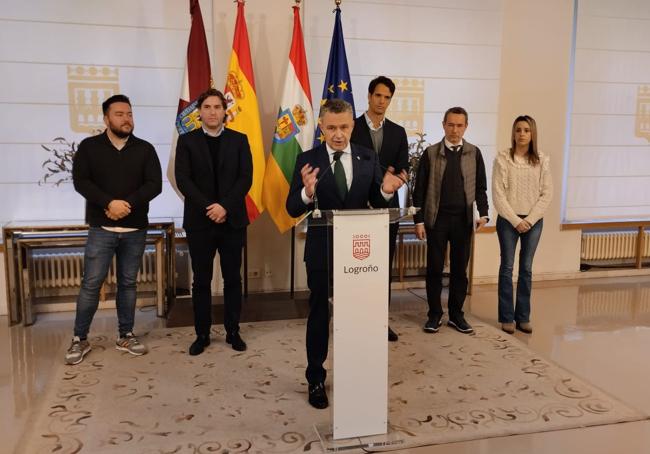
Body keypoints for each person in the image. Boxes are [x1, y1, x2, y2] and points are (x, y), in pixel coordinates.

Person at [286, 98, 407, 409]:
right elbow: (291, 208)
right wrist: (307, 193)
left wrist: (386, 191)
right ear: (321, 128)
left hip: (359, 254)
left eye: (344, 127)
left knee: (357, 317)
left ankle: (356, 375)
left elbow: (378, 203)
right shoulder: (308, 159)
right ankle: (315, 377)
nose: (338, 134)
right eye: (331, 128)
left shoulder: (368, 157)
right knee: (320, 315)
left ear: (352, 126)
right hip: (321, 251)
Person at [65, 94, 162, 365]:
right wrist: (109, 203)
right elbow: (81, 181)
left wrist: (126, 204)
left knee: (128, 283)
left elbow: (154, 184)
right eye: (119, 114)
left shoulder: (145, 149)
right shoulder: (89, 147)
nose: (126, 118)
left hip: (135, 229)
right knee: (91, 284)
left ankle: (126, 334)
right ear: (106, 118)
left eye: (129, 113)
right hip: (101, 228)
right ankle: (79, 339)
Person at [175, 88, 252, 355]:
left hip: (232, 221)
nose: (212, 112)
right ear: (199, 112)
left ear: (224, 111)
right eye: (207, 107)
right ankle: (202, 334)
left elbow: (246, 178)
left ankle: (233, 331)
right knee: (202, 281)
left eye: (217, 107)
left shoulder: (240, 140)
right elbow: (183, 179)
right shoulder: (187, 141)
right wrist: (210, 207)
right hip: (200, 221)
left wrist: (224, 206)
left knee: (233, 278)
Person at [412, 107, 488, 335]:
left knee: (459, 271)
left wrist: (483, 213)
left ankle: (457, 315)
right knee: (434, 268)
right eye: (451, 124)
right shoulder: (431, 153)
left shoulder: (474, 153)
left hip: (463, 221)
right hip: (437, 220)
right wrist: (418, 220)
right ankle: (434, 314)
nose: (455, 130)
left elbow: (481, 187)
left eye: (459, 125)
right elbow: (419, 190)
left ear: (466, 127)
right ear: (444, 125)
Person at [350, 75, 409, 342]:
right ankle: (353, 320)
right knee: (356, 266)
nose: (382, 101)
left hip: (387, 209)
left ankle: (380, 322)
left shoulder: (398, 132)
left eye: (387, 97)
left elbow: (402, 167)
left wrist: (392, 178)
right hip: (355, 206)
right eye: (378, 96)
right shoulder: (351, 127)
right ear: (369, 96)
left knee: (381, 267)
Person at [492, 115, 553, 334]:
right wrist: (516, 221)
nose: (522, 134)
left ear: (532, 133)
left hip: (533, 222)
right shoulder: (502, 159)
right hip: (508, 221)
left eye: (526, 130)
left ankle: (523, 317)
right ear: (513, 132)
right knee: (507, 268)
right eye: (518, 129)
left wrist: (529, 220)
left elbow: (547, 194)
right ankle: (507, 317)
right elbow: (498, 196)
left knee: (526, 269)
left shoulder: (542, 160)